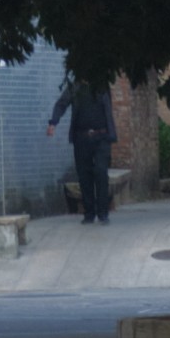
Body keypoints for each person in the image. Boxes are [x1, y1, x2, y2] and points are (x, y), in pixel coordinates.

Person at [47, 69, 117, 224]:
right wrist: (53, 122)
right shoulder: (75, 87)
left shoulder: (102, 86)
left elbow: (108, 111)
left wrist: (111, 134)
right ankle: (89, 213)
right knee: (84, 176)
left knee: (100, 172)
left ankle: (103, 213)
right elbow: (61, 104)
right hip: (81, 138)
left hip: (102, 137)